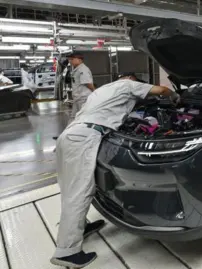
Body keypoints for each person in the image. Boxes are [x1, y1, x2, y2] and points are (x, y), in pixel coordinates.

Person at [50, 72, 180, 268]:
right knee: (80, 192)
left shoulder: (102, 90)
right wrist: (175, 96)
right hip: (85, 138)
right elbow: (161, 90)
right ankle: (67, 252)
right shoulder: (127, 86)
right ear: (131, 79)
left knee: (69, 188)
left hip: (69, 135)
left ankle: (80, 227)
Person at [68, 52, 95, 122]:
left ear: (79, 60)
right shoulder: (76, 69)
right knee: (74, 117)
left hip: (83, 98)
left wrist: (95, 91)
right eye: (70, 59)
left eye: (72, 59)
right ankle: (71, 131)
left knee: (83, 117)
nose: (70, 61)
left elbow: (87, 83)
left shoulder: (83, 69)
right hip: (78, 98)